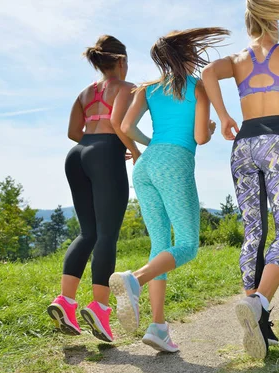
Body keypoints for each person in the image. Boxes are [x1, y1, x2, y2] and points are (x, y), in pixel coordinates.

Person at [202, 0, 279, 359]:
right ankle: (259, 304)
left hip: (243, 143)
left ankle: (261, 328)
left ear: (250, 24)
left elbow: (208, 72)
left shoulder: (238, 60)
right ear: (276, 22)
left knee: (253, 230)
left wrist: (224, 116)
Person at [109, 28, 229, 352]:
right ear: (188, 55)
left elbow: (124, 126)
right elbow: (201, 137)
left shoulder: (148, 89)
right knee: (188, 245)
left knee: (160, 245)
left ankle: (158, 327)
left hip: (146, 165)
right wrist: (212, 127)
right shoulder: (197, 86)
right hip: (175, 162)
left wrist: (146, 147)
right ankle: (134, 279)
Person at [47, 35, 141, 343]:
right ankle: (100, 308)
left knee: (87, 233)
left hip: (77, 155)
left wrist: (94, 145)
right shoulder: (128, 88)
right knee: (106, 236)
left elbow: (74, 132)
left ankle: (65, 302)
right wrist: (132, 151)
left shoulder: (85, 92)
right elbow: (120, 125)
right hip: (104, 154)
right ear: (122, 62)